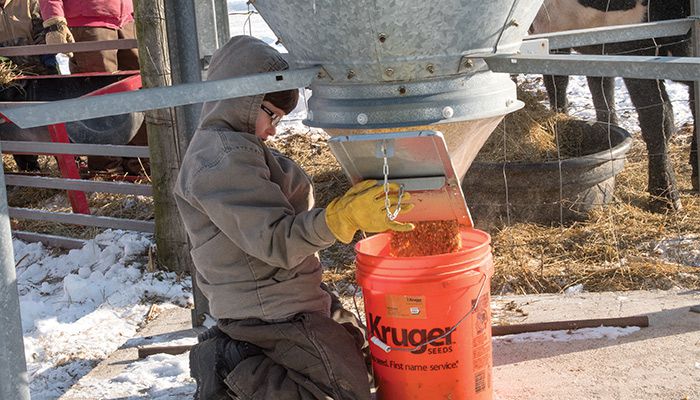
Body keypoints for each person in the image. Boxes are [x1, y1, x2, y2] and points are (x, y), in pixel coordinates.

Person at [174, 35, 415, 400]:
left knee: (367, 363)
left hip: (291, 294)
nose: (274, 128)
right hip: (268, 311)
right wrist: (339, 219)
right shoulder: (220, 158)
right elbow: (275, 240)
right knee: (344, 395)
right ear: (244, 98)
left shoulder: (239, 149)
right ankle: (230, 362)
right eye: (271, 114)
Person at [38, 0, 146, 175]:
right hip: (88, 22)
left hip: (127, 18)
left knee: (139, 93)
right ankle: (106, 171)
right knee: (101, 97)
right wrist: (54, 22)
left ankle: (140, 165)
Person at [0, 0, 51, 171]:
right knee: (13, 122)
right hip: (8, 79)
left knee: (53, 120)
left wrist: (38, 57)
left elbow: (43, 30)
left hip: (39, 72)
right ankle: (29, 170)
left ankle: (70, 164)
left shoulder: (29, 2)